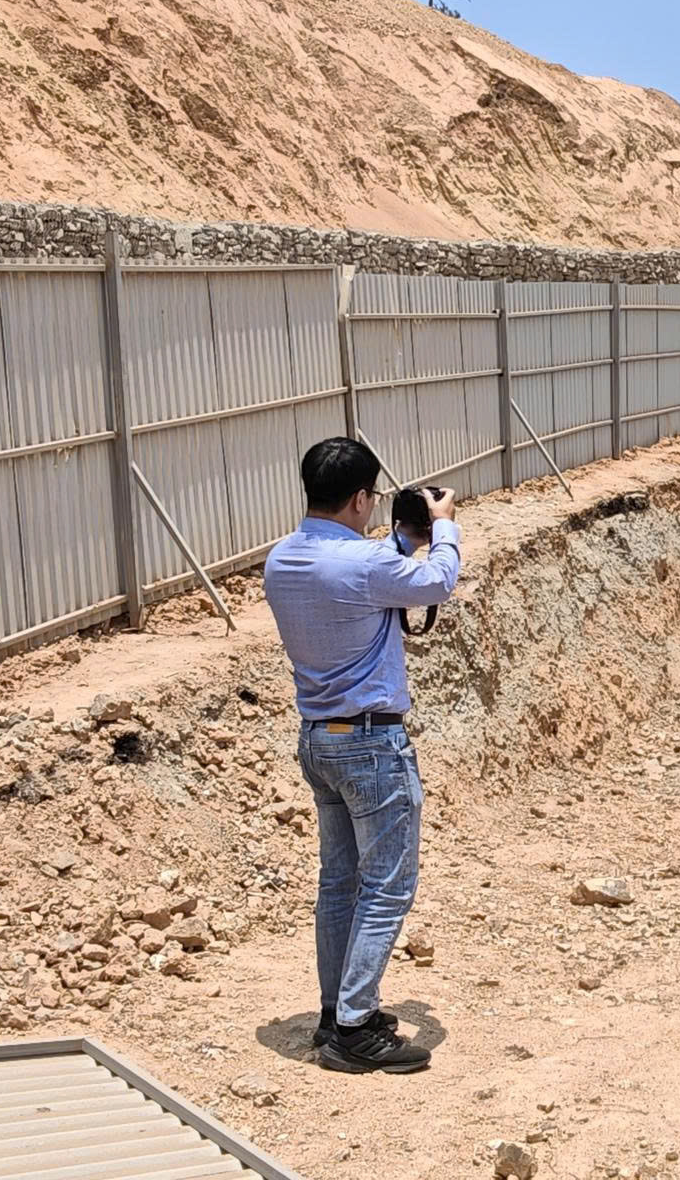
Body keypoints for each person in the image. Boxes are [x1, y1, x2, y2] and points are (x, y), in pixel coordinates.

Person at [262, 436, 459, 1074]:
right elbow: (437, 582)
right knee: (386, 887)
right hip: (372, 743)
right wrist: (445, 527)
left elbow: (366, 572)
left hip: (320, 739)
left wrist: (403, 536)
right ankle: (354, 1028)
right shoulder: (369, 566)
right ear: (359, 498)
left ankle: (335, 1011)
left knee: (339, 883)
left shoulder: (282, 560)